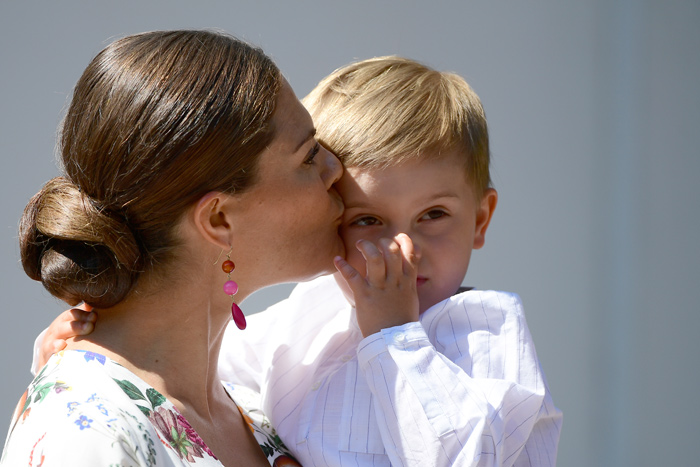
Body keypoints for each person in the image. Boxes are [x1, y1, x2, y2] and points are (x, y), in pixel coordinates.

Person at [33, 57, 563, 466]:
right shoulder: (314, 312)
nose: (405, 249)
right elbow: (193, 369)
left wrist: (396, 338)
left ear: (481, 219)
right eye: (368, 221)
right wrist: (88, 337)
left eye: (434, 214)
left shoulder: (486, 333)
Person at [1, 29, 346, 466]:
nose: (336, 168)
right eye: (309, 155)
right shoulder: (85, 435)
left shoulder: (257, 414)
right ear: (218, 219)